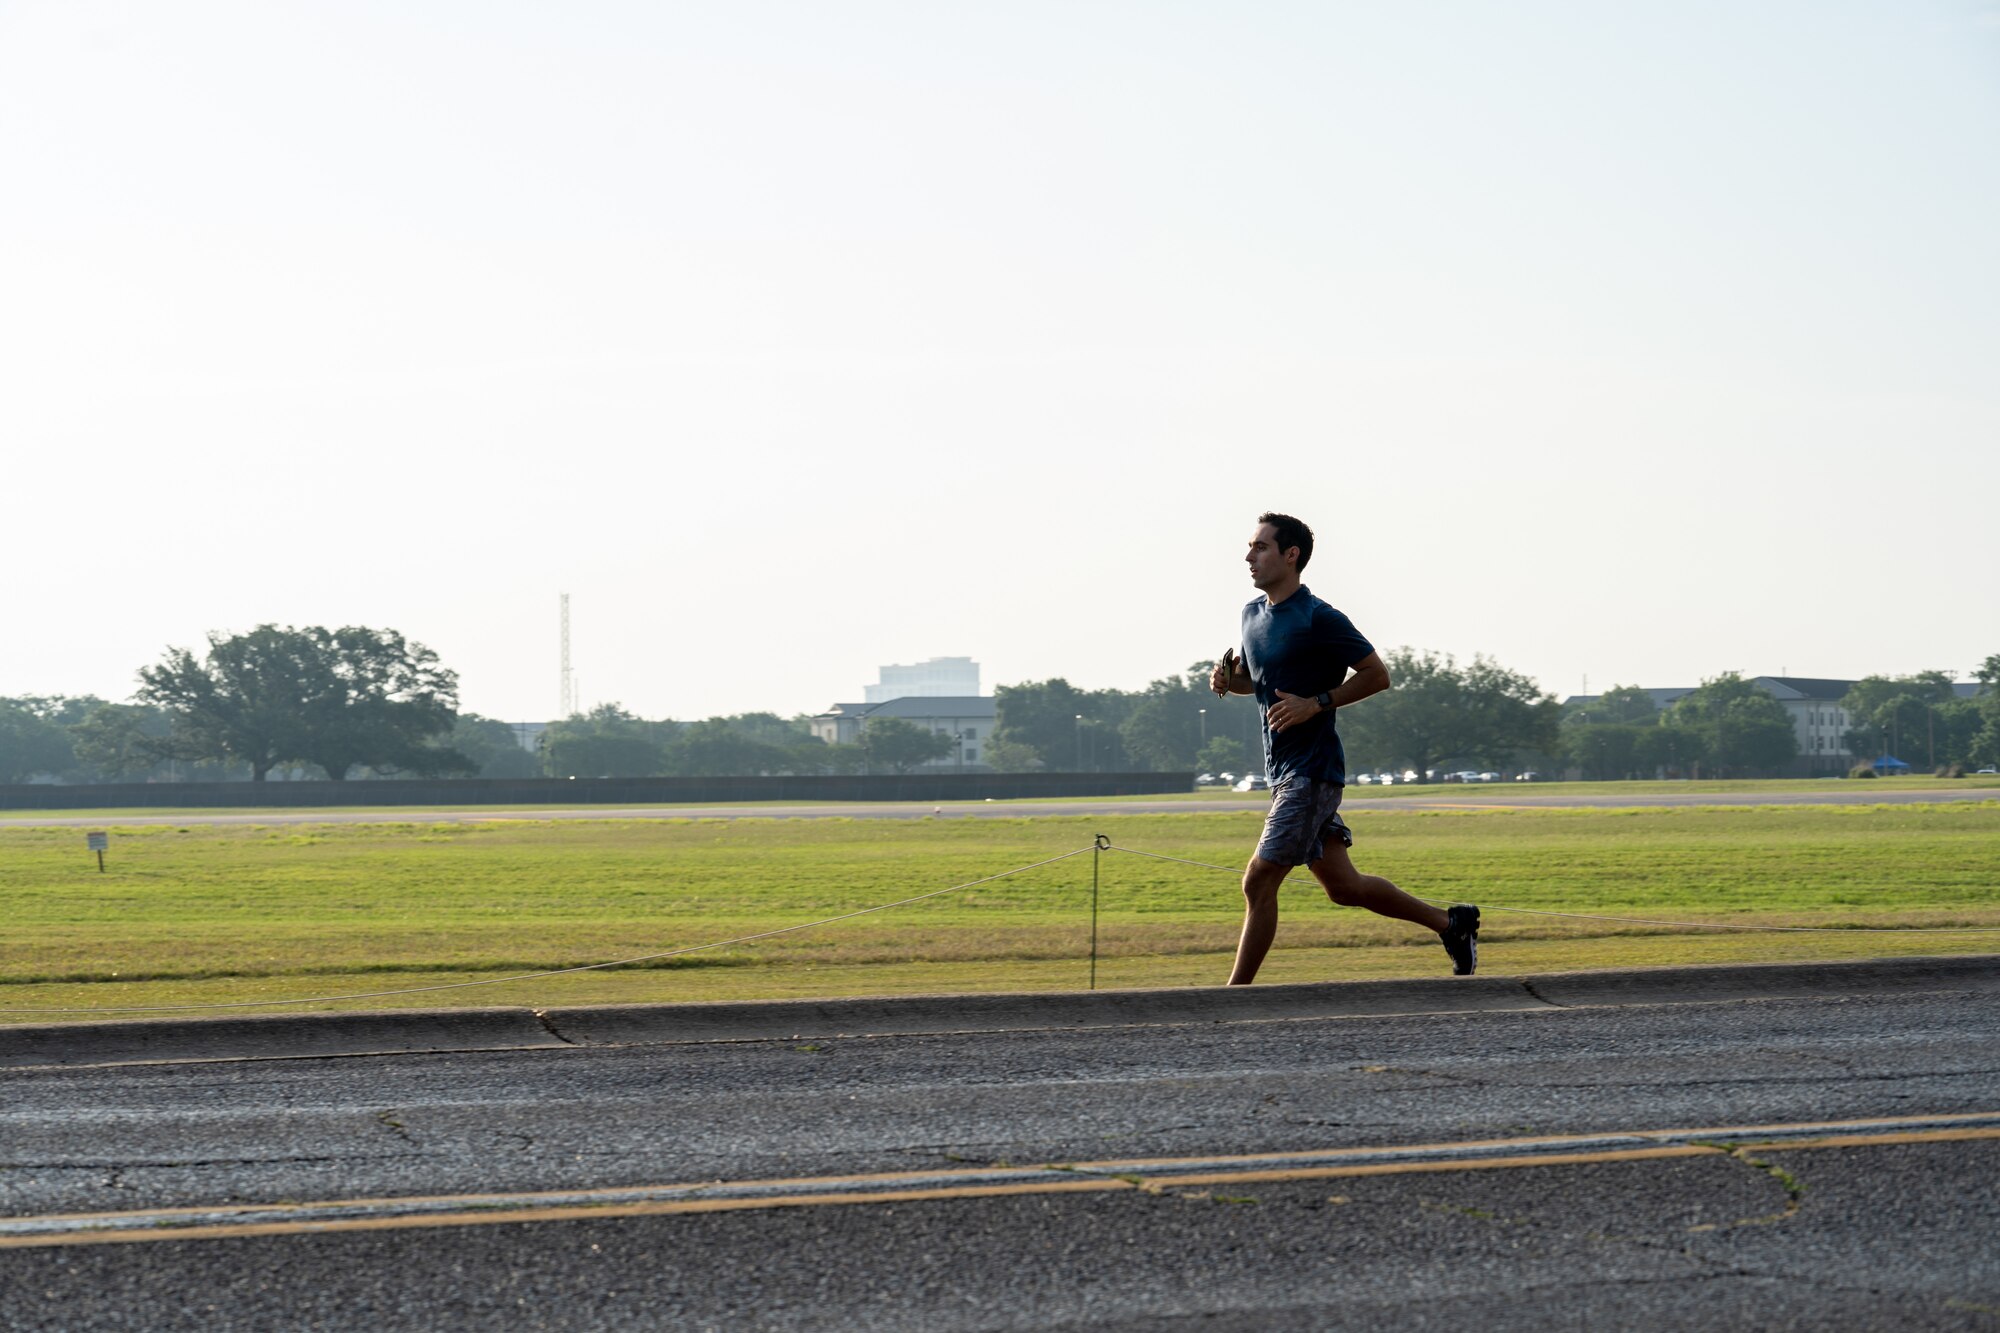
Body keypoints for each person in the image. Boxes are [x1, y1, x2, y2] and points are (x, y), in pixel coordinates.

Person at [1209, 512, 1479, 984]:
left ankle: (1233, 998)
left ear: (1291, 556)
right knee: (1344, 887)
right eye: (1251, 547)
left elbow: (1378, 675)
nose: (1249, 556)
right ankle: (1451, 924)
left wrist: (1318, 703)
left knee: (1258, 880)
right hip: (1283, 773)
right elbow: (1263, 684)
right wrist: (1231, 682)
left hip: (1312, 772)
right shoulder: (1251, 615)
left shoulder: (1320, 617)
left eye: (1261, 547)